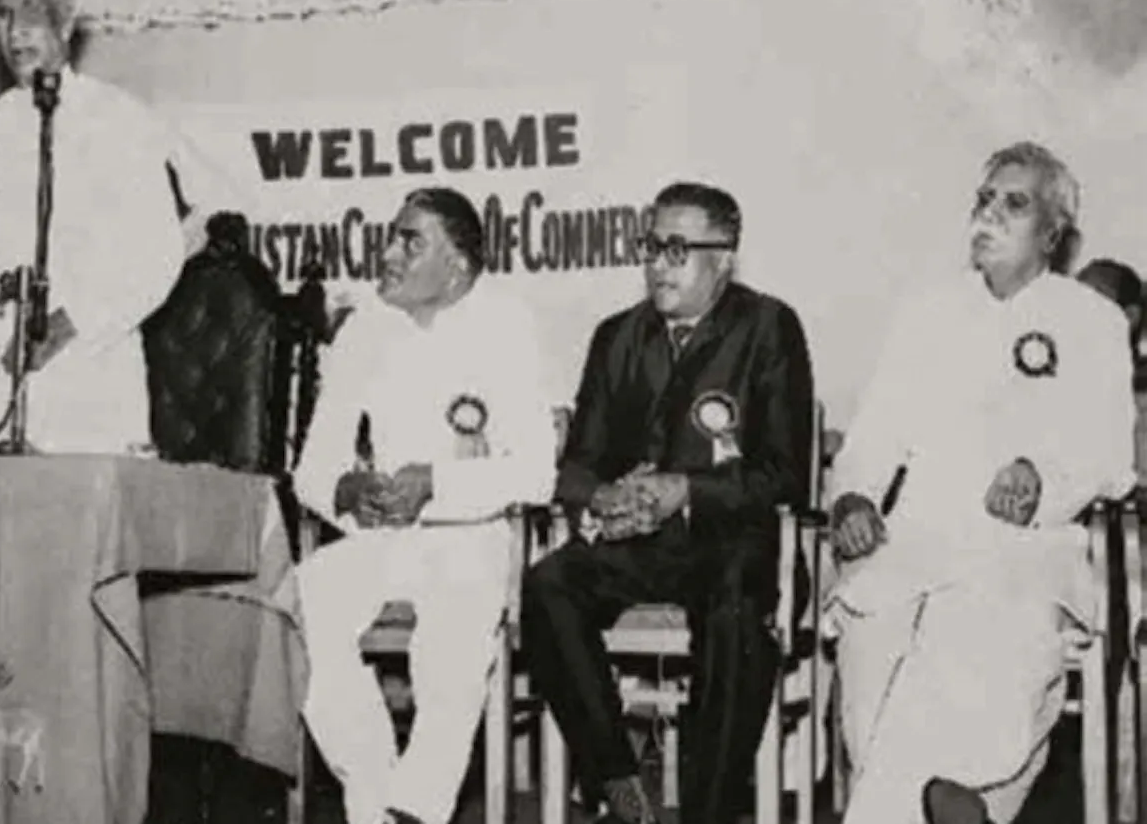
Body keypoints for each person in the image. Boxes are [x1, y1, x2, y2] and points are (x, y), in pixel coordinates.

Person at [827, 142, 1136, 824]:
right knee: (869, 631)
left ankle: (948, 806)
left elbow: (1112, 455)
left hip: (1024, 549)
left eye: (1014, 202)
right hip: (912, 543)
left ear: (1052, 233)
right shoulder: (925, 312)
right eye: (983, 199)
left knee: (988, 644)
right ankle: (963, 811)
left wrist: (1042, 475)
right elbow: (871, 440)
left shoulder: (1092, 322)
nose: (989, 215)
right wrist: (852, 497)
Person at [521, 182, 815, 824]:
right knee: (548, 585)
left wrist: (687, 490)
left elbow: (787, 473)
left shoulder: (768, 327)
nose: (657, 263)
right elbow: (577, 464)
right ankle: (619, 783)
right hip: (638, 542)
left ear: (725, 258)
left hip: (729, 541)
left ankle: (707, 815)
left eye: (677, 249)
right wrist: (604, 494)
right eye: (651, 246)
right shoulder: (617, 336)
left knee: (738, 609)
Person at [294, 187, 554, 824]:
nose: (388, 253)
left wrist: (435, 485)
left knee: (451, 643)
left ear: (458, 265)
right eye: (391, 236)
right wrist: (347, 492)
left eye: (412, 241)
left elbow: (536, 473)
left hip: (472, 533)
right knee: (296, 606)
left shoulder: (507, 325)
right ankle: (379, 794)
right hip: (380, 536)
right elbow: (311, 469)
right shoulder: (364, 329)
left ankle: (416, 808)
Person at [0, 0, 226, 453]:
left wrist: (74, 323)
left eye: (31, 12)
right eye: (4, 16)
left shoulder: (121, 120)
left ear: (66, 24)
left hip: (90, 393)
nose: (16, 32)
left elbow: (158, 255)